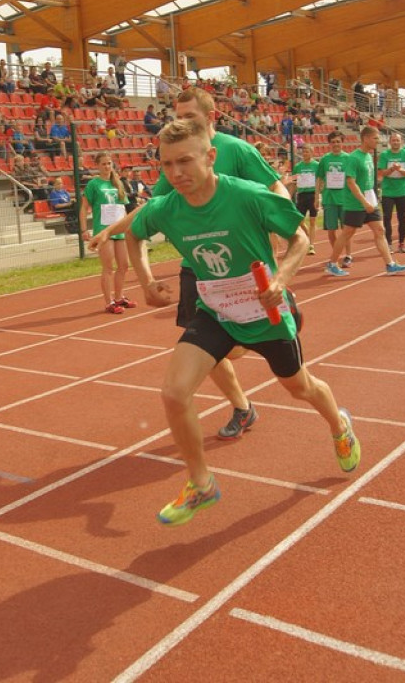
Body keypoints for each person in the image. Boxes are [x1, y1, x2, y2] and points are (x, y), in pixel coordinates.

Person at [124, 119, 360, 526]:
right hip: (216, 312)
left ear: (210, 157)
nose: (176, 173)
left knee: (299, 387)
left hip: (266, 313)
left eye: (185, 161)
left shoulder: (248, 196)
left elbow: (300, 238)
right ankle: (201, 483)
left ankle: (339, 426)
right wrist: (146, 281)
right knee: (174, 393)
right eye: (166, 164)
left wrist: (281, 279)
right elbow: (133, 234)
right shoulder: (166, 207)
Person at [90, 87, 290, 441]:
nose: (180, 123)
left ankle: (252, 335)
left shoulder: (237, 149)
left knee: (239, 348)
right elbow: (152, 208)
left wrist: (279, 229)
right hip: (198, 267)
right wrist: (110, 230)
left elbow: (276, 188)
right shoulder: (177, 157)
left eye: (189, 117)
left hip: (245, 266)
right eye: (177, 117)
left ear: (210, 118)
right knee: (205, 346)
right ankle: (242, 406)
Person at [325, 126, 405, 277]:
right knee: (347, 233)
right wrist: (364, 202)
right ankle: (332, 264)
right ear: (365, 139)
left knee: (380, 230)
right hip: (356, 203)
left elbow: (370, 180)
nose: (378, 141)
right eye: (375, 138)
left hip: (370, 199)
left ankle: (390, 265)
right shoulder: (354, 157)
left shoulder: (369, 156)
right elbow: (351, 182)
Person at [80, 152, 137, 315]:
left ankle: (119, 297)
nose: (107, 166)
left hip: (119, 229)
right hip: (103, 230)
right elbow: (84, 208)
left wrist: (127, 227)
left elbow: (123, 208)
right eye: (104, 164)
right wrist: (84, 229)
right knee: (108, 267)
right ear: (98, 166)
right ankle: (109, 302)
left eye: (109, 163)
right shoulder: (94, 184)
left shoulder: (117, 183)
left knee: (124, 265)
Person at [315, 131, 352, 268]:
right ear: (329, 144)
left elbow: (353, 178)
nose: (336, 144)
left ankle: (348, 255)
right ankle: (337, 255)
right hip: (329, 199)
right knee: (331, 230)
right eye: (333, 142)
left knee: (346, 230)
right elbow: (319, 178)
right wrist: (316, 196)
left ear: (342, 143)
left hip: (345, 199)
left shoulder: (348, 158)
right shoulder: (325, 159)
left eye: (338, 141)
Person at [377, 131, 405, 254]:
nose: (396, 142)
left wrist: (400, 169)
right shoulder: (384, 155)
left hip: (402, 191)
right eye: (393, 140)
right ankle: (389, 244)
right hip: (387, 192)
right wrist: (392, 169)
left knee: (401, 218)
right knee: (387, 218)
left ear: (401, 142)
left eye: (397, 140)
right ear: (390, 142)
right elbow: (381, 173)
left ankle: (401, 243)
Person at [293, 144, 318, 255]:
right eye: (303, 152)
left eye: (307, 151)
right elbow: (294, 182)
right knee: (299, 221)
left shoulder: (317, 165)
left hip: (312, 195)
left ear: (312, 153)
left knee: (312, 220)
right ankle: (307, 236)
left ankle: (311, 245)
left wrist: (318, 195)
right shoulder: (298, 166)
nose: (305, 154)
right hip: (301, 195)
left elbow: (320, 180)